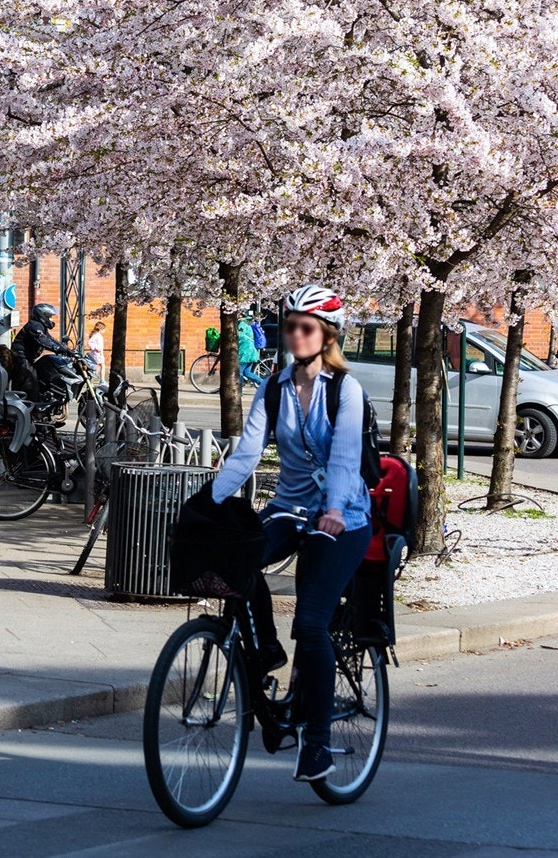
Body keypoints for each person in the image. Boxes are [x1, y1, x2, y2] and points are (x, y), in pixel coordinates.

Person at [207, 283, 372, 785]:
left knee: (314, 622)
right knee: (234, 559)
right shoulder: (274, 386)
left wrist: (337, 509)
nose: (295, 335)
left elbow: (345, 457)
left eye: (306, 328)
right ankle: (267, 652)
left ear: (326, 335)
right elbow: (247, 452)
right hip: (289, 508)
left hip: (344, 519)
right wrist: (210, 501)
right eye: (290, 325)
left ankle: (317, 745)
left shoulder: (346, 389)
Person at [15, 303, 73, 393]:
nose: (51, 319)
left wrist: (66, 348)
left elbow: (50, 339)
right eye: (50, 317)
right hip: (21, 357)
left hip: (28, 358)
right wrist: (58, 349)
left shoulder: (41, 327)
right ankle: (31, 401)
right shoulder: (35, 326)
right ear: (43, 316)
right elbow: (43, 340)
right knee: (31, 381)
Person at [239, 314, 265, 387]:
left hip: (245, 353)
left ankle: (239, 390)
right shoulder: (248, 325)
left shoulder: (242, 324)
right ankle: (264, 384)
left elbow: (240, 335)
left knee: (239, 372)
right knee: (247, 373)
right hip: (251, 352)